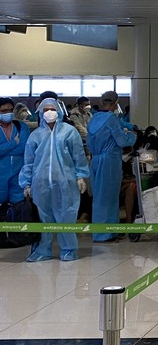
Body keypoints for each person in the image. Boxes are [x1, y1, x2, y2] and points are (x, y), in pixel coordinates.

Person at [19, 98, 90, 261]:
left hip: (66, 182)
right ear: (40, 113)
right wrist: (27, 183)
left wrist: (80, 176)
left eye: (52, 109)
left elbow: (78, 155)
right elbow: (29, 161)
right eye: (45, 110)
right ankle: (43, 250)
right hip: (41, 183)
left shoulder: (69, 132)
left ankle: (69, 249)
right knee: (44, 217)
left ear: (59, 111)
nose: (49, 112)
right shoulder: (36, 135)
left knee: (67, 216)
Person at [86, 91, 137, 243]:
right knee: (109, 197)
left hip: (95, 160)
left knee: (98, 197)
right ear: (115, 103)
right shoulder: (111, 119)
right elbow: (122, 141)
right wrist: (132, 136)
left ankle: (102, 231)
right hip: (109, 161)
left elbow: (89, 142)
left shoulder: (94, 118)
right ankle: (106, 233)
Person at [0, 98, 30, 207]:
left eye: (10, 110)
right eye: (4, 111)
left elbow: (24, 148)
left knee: (17, 206)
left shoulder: (21, 127)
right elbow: (18, 146)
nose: (8, 113)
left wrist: (3, 149)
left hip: (18, 174)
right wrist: (13, 143)